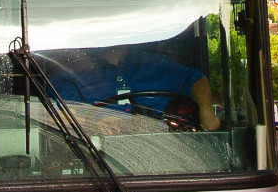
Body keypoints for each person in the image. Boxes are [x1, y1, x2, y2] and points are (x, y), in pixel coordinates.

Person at [49, 43, 219, 130]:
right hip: (97, 158)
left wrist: (207, 112)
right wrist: (93, 124)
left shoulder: (153, 63)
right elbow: (51, 115)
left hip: (160, 151)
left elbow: (197, 80)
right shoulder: (70, 74)